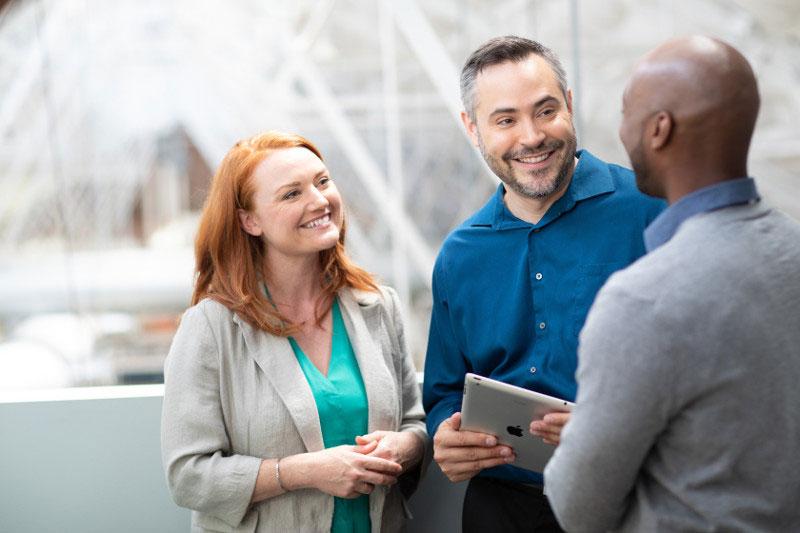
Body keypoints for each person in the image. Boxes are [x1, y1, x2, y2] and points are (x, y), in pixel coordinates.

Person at [544, 36, 800, 531]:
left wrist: (591, 436)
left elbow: (578, 509)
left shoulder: (642, 300)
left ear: (659, 129)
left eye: (625, 112)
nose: (620, 131)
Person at [422, 36, 664, 531]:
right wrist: (444, 433)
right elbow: (445, 389)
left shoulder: (653, 211)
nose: (531, 136)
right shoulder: (459, 255)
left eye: (546, 110)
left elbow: (707, 365)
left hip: (632, 501)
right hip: (500, 510)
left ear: (570, 106)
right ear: (472, 129)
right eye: (505, 120)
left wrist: (616, 429)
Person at [161, 131, 429, 532]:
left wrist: (404, 447)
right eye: (291, 194)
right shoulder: (211, 328)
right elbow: (188, 476)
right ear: (249, 221)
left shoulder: (378, 306)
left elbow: (415, 424)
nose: (319, 201)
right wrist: (303, 472)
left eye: (322, 182)